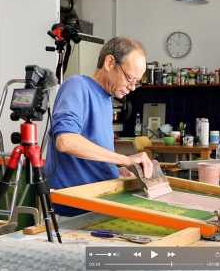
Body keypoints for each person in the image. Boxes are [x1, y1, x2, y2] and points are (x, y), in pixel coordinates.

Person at [45, 37, 153, 216]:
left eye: (137, 82)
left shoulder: (105, 99)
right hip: (75, 207)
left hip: (101, 200)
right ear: (110, 62)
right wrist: (125, 159)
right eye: (129, 78)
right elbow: (66, 141)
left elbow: (91, 152)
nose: (133, 87)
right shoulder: (77, 86)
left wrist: (114, 169)